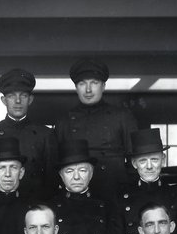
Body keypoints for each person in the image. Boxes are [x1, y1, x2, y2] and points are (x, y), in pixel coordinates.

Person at [54, 58, 138, 203]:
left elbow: (135, 160)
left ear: (103, 86)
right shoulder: (64, 121)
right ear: (76, 87)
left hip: (115, 191)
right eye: (82, 83)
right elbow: (57, 163)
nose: (88, 90)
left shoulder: (122, 116)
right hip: (77, 194)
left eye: (94, 83)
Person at [0, 68, 56, 199]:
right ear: (3, 100)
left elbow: (51, 180)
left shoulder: (46, 134)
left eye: (23, 96)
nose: (18, 101)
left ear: (30, 100)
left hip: (35, 204)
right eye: (11, 96)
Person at [116, 128, 177, 234]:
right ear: (134, 163)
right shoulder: (121, 198)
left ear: (163, 160)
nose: (149, 166)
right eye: (143, 161)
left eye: (154, 159)